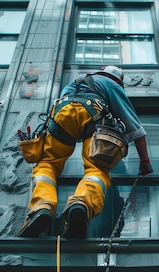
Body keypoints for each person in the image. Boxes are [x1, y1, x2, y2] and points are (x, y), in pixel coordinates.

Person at [17, 66, 152, 239]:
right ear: (119, 79)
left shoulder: (73, 84)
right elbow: (135, 128)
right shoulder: (112, 85)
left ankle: (42, 206)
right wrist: (145, 162)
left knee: (47, 165)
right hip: (92, 116)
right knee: (96, 170)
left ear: (101, 70)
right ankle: (82, 204)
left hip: (61, 115)